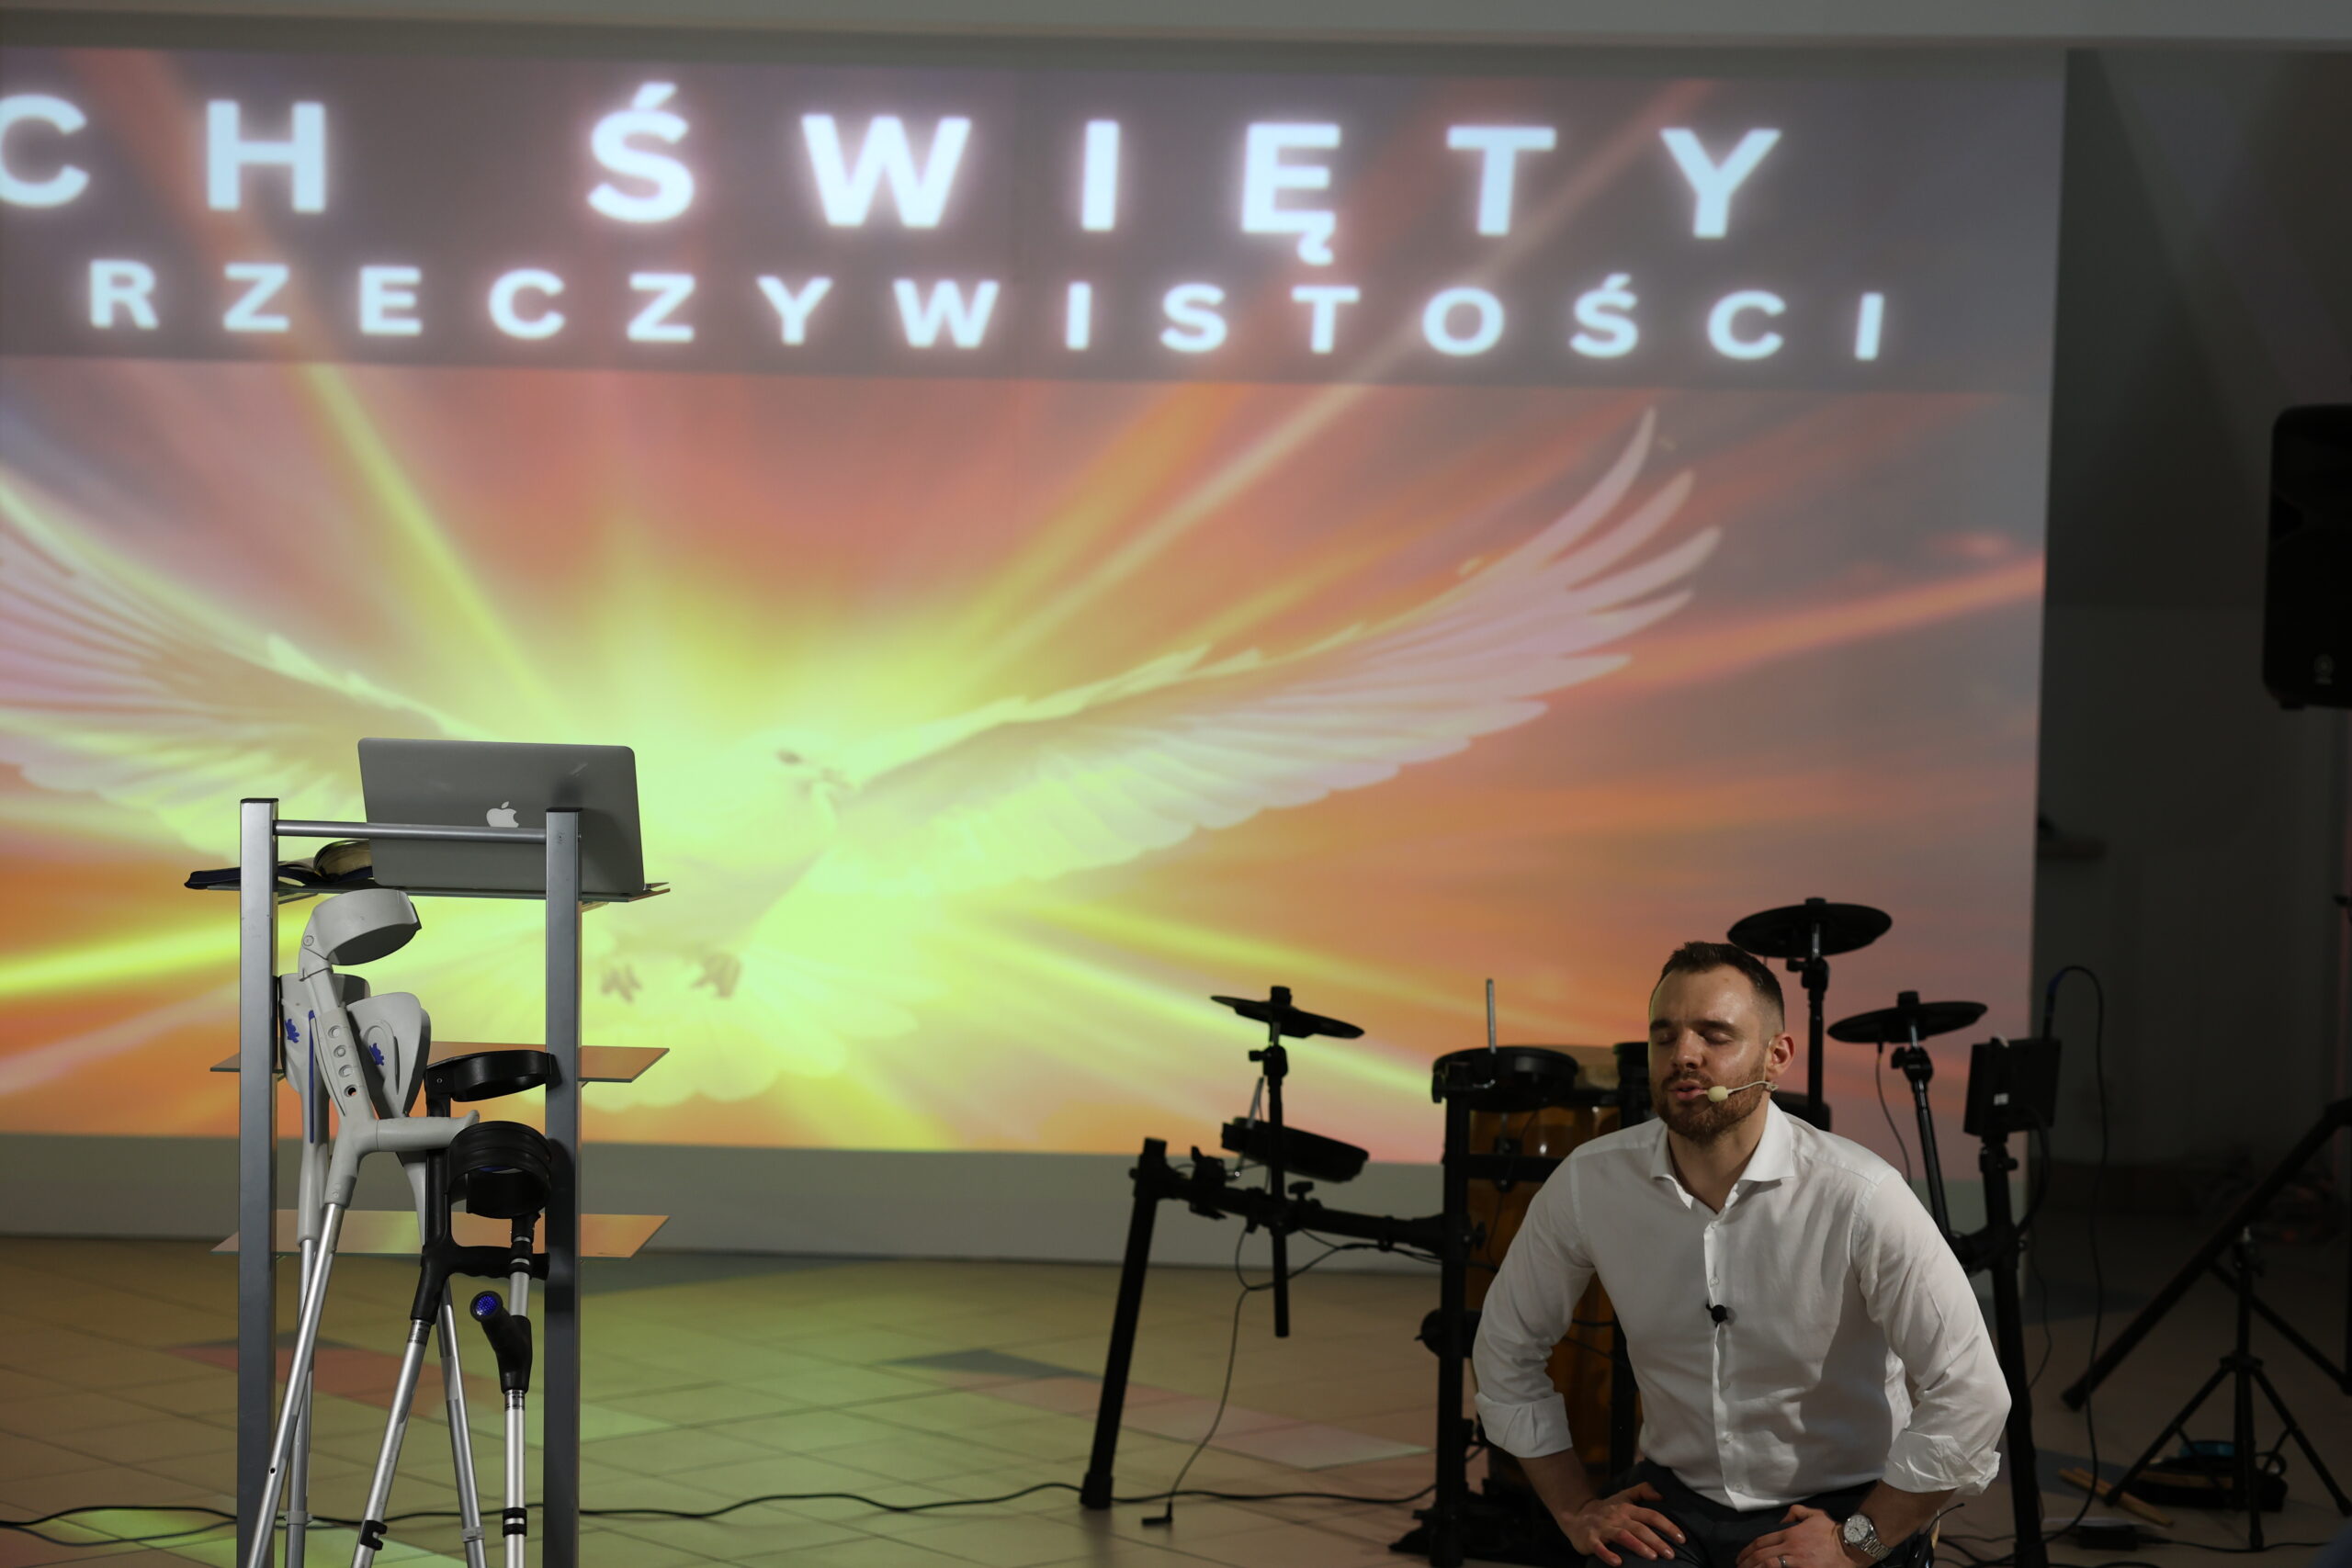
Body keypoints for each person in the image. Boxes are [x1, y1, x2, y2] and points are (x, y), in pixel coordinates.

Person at [1472, 941, 2010, 1568]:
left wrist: (1857, 1543)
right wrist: (1574, 1508)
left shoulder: (1860, 1194)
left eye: (1715, 1034)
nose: (1684, 1055)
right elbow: (1505, 1348)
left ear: (1777, 1056)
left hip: (1842, 1503)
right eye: (1664, 1036)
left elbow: (1973, 1392)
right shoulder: (1590, 1180)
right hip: (1676, 1499)